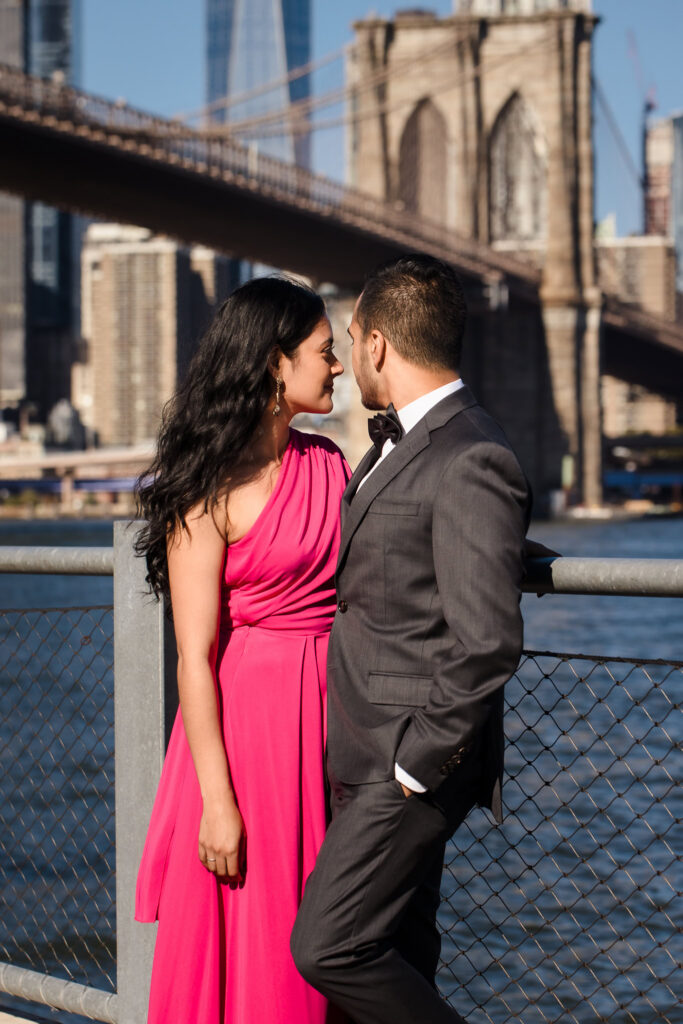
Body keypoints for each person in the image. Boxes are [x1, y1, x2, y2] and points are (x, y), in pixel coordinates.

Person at [291, 254, 532, 1023]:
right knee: (397, 948)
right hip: (362, 746)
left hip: (407, 759)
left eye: (352, 337)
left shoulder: (471, 455)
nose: (349, 356)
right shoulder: (395, 446)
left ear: (378, 346)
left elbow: (486, 640)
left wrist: (414, 767)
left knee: (327, 946)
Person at [134, 276, 348, 1024]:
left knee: (324, 932)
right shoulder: (207, 487)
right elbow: (195, 656)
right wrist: (217, 802)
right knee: (251, 927)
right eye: (324, 352)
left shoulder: (330, 464)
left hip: (330, 719)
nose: (339, 365)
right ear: (273, 365)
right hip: (247, 735)